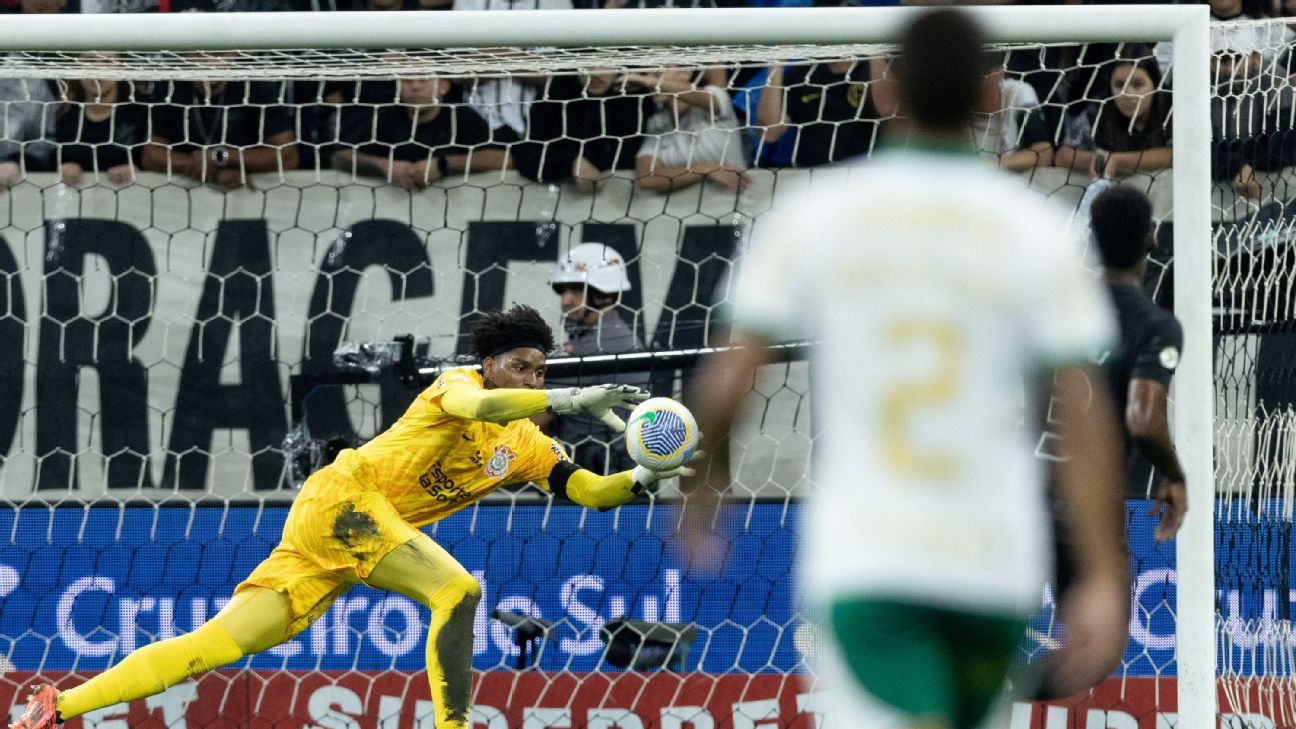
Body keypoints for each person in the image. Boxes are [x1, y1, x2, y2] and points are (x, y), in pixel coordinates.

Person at [679, 9, 1131, 728]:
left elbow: (732, 375)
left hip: (871, 556)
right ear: (990, 97)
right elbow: (1083, 405)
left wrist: (703, 482)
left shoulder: (816, 215)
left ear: (885, 91)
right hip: (992, 561)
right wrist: (1105, 573)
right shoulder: (1038, 230)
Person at [9, 305, 695, 729]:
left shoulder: (526, 446)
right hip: (345, 498)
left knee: (220, 643)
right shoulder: (458, 385)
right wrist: (578, 400)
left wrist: (642, 475)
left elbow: (589, 492)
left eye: (543, 372)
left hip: (349, 537)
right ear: (490, 364)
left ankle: (55, 706)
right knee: (457, 590)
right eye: (522, 366)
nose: (533, 381)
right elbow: (482, 409)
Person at [542, 243, 650, 474]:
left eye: (576, 290)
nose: (566, 300)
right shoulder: (610, 334)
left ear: (603, 295)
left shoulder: (599, 345)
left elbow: (537, 416)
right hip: (605, 468)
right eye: (563, 290)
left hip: (594, 473)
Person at [332, 76, 509, 190]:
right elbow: (341, 157)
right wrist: (386, 167)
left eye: (423, 80)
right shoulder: (386, 116)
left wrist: (443, 165)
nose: (415, 87)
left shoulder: (461, 116)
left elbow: (502, 158)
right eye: (407, 81)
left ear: (443, 87)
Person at [140, 78, 299, 189]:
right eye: (200, 52)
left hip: (250, 199)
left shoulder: (256, 87)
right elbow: (151, 156)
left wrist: (219, 157)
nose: (210, 59)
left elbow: (288, 156)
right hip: (182, 199)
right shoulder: (170, 89)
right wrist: (206, 167)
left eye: (218, 53)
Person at [513, 71, 655, 192]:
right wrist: (571, 163)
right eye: (589, 65)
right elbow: (528, 156)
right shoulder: (555, 92)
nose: (596, 74)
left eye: (605, 65)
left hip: (623, 199)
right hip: (559, 199)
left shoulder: (636, 98)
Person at [1055, 51, 1172, 180]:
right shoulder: (1099, 109)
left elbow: (1180, 156)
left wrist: (1117, 160)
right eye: (1119, 85)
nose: (1127, 94)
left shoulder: (1173, 108)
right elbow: (1062, 156)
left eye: (1138, 84)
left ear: (1155, 84)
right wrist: (1097, 159)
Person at [633, 68, 751, 193]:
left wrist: (652, 82)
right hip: (682, 208)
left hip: (734, 203)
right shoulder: (657, 124)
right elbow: (646, 178)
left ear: (685, 73)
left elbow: (705, 98)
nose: (652, 76)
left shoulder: (713, 103)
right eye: (649, 71)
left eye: (661, 68)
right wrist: (704, 170)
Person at [753, 58, 884, 168]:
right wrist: (777, 62)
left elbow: (887, 110)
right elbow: (769, 132)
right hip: (814, 179)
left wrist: (875, 50)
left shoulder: (876, 70)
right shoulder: (803, 75)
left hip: (870, 174)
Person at [53, 78, 145, 186]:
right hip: (73, 196)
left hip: (131, 195)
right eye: (89, 61)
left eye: (106, 62)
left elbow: (150, 160)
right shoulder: (64, 114)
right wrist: (63, 168)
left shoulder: (141, 113)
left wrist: (138, 170)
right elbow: (50, 159)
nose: (97, 70)